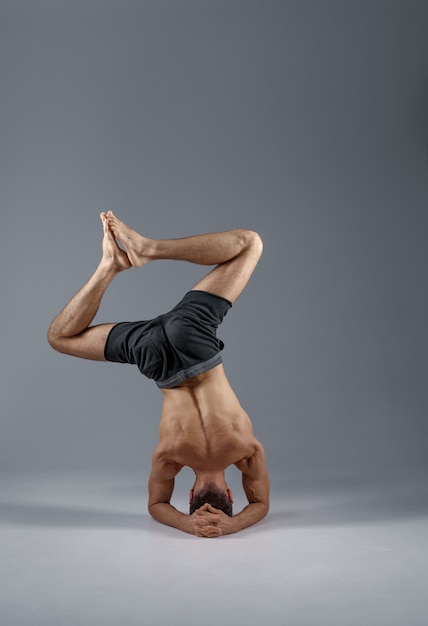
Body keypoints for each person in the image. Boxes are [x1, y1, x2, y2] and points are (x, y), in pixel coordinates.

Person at [48, 211, 270, 537]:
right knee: (59, 338)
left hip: (195, 345)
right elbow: (156, 506)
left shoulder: (247, 451)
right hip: (156, 358)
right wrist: (186, 522)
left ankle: (149, 249)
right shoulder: (169, 458)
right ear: (191, 494)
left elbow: (261, 504)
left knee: (250, 243)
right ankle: (108, 267)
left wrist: (235, 523)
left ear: (232, 493)